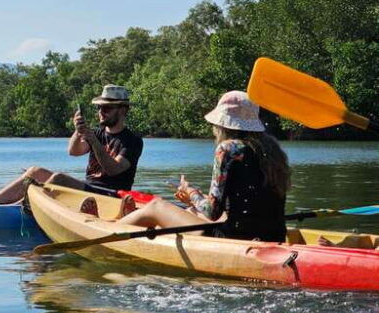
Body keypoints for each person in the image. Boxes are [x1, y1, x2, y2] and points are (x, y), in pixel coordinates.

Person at [116, 90, 290, 242]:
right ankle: (130, 220)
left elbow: (212, 212)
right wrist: (194, 200)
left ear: (222, 125)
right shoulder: (272, 150)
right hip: (274, 236)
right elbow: (243, 203)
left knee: (156, 206)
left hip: (235, 239)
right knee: (192, 211)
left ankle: (114, 227)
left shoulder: (228, 149)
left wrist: (190, 191)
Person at [0, 84, 143, 204]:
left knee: (59, 179)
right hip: (88, 187)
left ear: (123, 110)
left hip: (111, 195)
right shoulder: (98, 133)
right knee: (34, 171)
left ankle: (22, 206)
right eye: (99, 107)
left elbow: (113, 169)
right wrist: (78, 131)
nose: (101, 112)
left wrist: (93, 141)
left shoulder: (133, 140)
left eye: (107, 108)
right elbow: (74, 151)